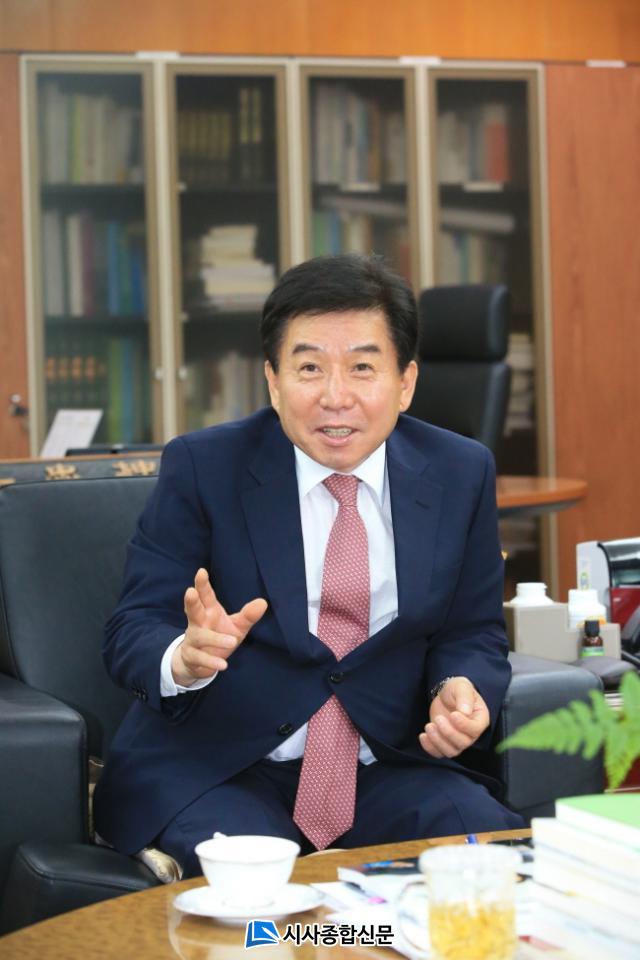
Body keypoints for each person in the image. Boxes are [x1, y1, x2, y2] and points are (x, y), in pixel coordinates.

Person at [94, 253, 523, 877]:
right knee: (266, 899)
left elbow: (472, 630)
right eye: (309, 368)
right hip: (224, 767)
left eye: (363, 368)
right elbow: (133, 626)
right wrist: (182, 660)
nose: (335, 397)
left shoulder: (461, 472)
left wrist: (458, 687)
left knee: (493, 870)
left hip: (387, 767)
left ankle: (366, 925)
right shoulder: (204, 467)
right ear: (273, 382)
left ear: (405, 382)